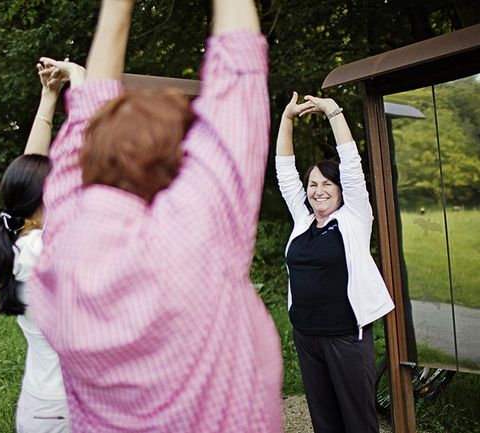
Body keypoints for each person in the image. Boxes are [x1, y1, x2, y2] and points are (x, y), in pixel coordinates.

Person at [31, 0, 283, 431]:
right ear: (178, 169)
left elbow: (83, 125)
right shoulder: (198, 233)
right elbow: (238, 77)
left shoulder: (59, 243)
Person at [275, 92, 395, 433]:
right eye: (313, 184)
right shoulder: (302, 220)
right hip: (306, 334)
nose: (318, 190)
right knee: (325, 422)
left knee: (358, 421)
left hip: (345, 335)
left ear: (341, 190)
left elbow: (353, 166)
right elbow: (285, 173)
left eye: (327, 183)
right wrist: (287, 120)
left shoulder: (355, 218)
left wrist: (333, 112)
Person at [0, 62, 71, 433]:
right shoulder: (43, 249)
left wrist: (48, 96)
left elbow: (30, 169)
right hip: (60, 410)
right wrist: (84, 83)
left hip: (43, 403)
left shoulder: (23, 240)